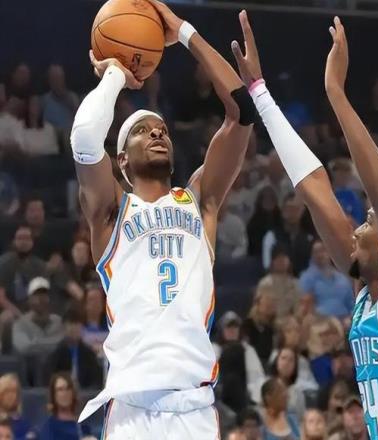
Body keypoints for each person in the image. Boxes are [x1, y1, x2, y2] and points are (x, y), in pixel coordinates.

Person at [230, 12, 378, 438]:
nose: (358, 230)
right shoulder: (367, 290)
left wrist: (336, 93)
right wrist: (259, 92)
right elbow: (314, 187)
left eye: (367, 222)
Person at [72, 2, 256, 437]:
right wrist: (116, 74)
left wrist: (184, 31)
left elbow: (243, 111)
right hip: (132, 408)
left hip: (194, 407)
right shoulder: (111, 212)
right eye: (142, 130)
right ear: (121, 160)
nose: (157, 132)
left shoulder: (200, 201)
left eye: (162, 130)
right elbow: (84, 138)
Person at [212, 310, 265, 404]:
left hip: (245, 396)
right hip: (219, 397)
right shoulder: (214, 349)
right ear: (222, 330)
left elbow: (257, 378)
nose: (232, 330)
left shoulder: (248, 349)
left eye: (235, 326)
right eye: (229, 326)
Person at [44, 308, 102, 389]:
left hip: (86, 393)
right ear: (64, 327)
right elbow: (50, 380)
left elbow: (96, 380)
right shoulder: (56, 354)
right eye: (71, 324)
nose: (74, 328)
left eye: (77, 324)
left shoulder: (88, 354)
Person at [299, 240, 353, 319]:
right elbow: (305, 306)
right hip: (319, 320)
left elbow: (351, 305)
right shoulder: (306, 278)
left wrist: (349, 318)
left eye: (323, 250)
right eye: (316, 252)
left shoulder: (343, 279)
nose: (320, 255)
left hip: (344, 320)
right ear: (311, 255)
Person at [261, 192, 313, 275]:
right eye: (289, 208)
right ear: (282, 211)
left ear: (303, 211)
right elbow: (267, 266)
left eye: (296, 209)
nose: (292, 212)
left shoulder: (310, 238)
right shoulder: (271, 236)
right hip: (279, 279)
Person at [12, 277, 64, 357]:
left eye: (44, 294)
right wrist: (54, 342)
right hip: (31, 364)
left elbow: (65, 344)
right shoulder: (20, 324)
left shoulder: (58, 321)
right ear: (29, 299)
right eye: (36, 295)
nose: (40, 299)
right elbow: (24, 348)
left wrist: (35, 342)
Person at [0, 225, 46, 315]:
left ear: (32, 242)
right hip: (7, 309)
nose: (23, 242)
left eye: (27, 238)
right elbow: (1, 298)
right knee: (7, 317)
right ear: (13, 241)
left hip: (31, 310)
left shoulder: (39, 265)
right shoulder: (4, 263)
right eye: (20, 238)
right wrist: (20, 316)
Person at [38, 372, 90, 440]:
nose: (65, 393)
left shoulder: (83, 426)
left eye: (68, 388)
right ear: (53, 394)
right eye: (60, 389)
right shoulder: (49, 428)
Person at [257, 248, 302, 319]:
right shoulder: (265, 283)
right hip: (269, 322)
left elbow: (298, 309)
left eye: (284, 258)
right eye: (278, 258)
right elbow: (259, 309)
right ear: (272, 262)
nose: (281, 261)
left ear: (289, 261)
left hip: (290, 322)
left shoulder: (296, 283)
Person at [242, 285, 277, 367]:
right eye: (266, 304)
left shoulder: (273, 328)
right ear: (257, 305)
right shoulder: (248, 325)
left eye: (271, 304)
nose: (270, 306)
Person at [269, 348, 306, 419]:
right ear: (276, 361)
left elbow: (301, 419)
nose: (286, 363)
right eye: (283, 358)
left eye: (291, 360)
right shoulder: (265, 385)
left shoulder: (298, 394)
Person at [247, 186, 282, 257]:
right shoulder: (254, 221)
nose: (268, 201)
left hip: (279, 254)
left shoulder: (281, 218)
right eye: (265, 199)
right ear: (260, 201)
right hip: (258, 255)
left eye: (271, 199)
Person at [0, 374, 35, 440]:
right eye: (8, 391)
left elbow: (32, 435)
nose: (13, 395)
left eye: (15, 392)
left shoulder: (22, 423)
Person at [81, 284, 108, 358]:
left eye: (98, 300)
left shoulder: (111, 328)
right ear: (85, 304)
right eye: (91, 300)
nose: (95, 303)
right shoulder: (78, 329)